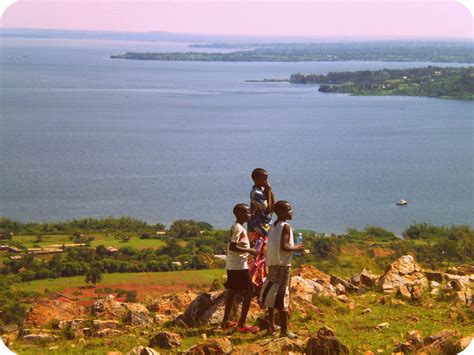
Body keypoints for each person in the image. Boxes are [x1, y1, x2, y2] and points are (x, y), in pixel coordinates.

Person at [259, 201, 304, 339]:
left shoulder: (272, 226)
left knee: (272, 293)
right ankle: (284, 330)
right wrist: (297, 247)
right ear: (280, 212)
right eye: (288, 210)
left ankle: (271, 325)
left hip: (272, 263)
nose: (291, 212)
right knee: (283, 295)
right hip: (283, 265)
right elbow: (284, 246)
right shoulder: (286, 226)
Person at [221, 203, 259, 333]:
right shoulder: (238, 228)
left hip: (232, 265)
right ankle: (242, 324)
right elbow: (233, 246)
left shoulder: (236, 227)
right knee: (250, 290)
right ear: (239, 214)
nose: (250, 214)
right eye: (247, 212)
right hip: (239, 266)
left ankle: (225, 321)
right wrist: (250, 250)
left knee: (233, 290)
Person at [248, 168, 275, 287]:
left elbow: (272, 206)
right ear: (256, 179)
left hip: (262, 229)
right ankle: (254, 281)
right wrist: (268, 191)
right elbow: (268, 210)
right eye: (264, 178)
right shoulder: (256, 194)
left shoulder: (261, 191)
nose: (266, 181)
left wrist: (270, 191)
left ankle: (260, 280)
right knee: (257, 256)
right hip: (257, 229)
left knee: (262, 256)